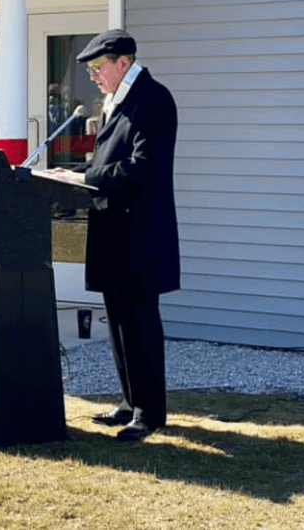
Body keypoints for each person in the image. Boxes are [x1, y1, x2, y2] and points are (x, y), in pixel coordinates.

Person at [75, 29, 181, 442]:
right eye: (90, 71)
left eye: (98, 69)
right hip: (112, 230)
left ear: (124, 62)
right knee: (117, 321)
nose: (94, 77)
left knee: (139, 322)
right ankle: (128, 401)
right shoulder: (117, 99)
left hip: (140, 234)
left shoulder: (153, 99)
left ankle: (150, 412)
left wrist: (84, 176)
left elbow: (143, 169)